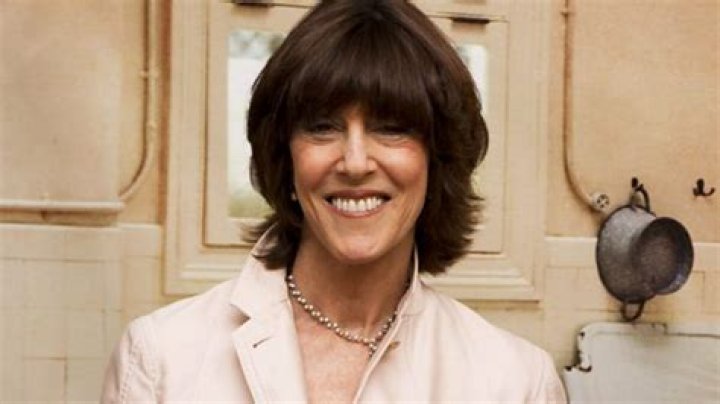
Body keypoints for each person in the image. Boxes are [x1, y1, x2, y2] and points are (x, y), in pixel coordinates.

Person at [101, 0, 567, 402]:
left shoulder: (516, 382)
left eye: (391, 128)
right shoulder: (160, 358)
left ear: (437, 159)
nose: (355, 162)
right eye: (322, 127)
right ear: (284, 155)